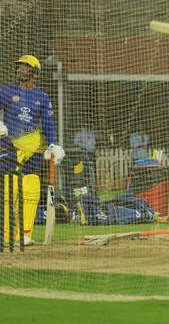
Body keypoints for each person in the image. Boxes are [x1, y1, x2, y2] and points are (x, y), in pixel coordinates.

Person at [0, 55, 65, 245]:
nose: (20, 69)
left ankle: (25, 234)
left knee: (32, 189)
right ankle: (7, 234)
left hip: (34, 150)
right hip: (11, 146)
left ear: (35, 73)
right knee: (9, 188)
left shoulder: (42, 97)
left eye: (25, 67)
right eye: (19, 66)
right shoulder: (6, 91)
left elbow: (48, 123)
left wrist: (52, 144)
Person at [73, 121, 97, 191]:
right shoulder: (80, 134)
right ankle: (85, 187)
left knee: (92, 171)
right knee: (85, 171)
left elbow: (94, 142)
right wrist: (83, 146)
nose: (88, 125)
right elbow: (76, 142)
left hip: (92, 153)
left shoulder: (93, 133)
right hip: (83, 153)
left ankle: (92, 187)